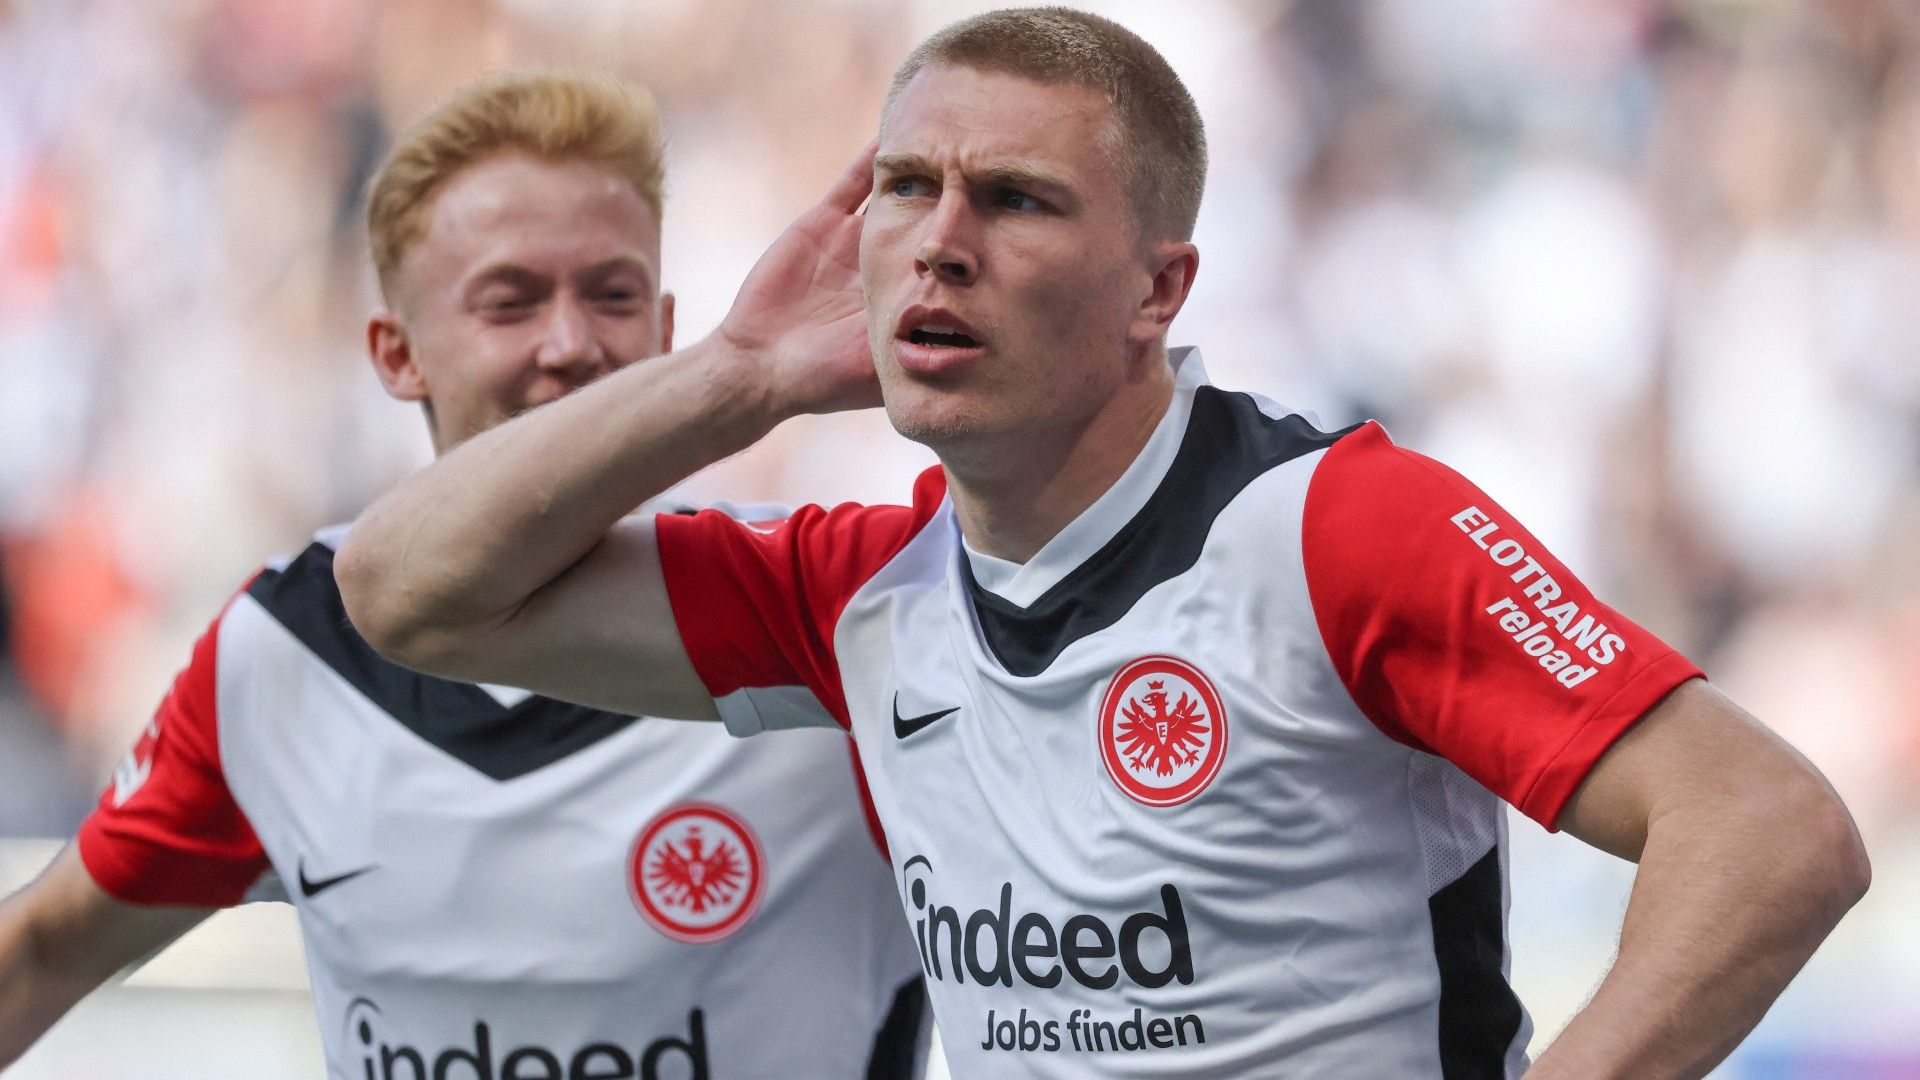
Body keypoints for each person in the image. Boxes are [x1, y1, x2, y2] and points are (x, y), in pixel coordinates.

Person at [336, 10, 1871, 1079]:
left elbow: (1769, 830)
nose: (941, 240)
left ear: (1159, 288)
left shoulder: (1335, 528)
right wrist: (735, 375)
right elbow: (404, 594)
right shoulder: (855, 593)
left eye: (1014, 200)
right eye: (903, 190)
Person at [0, 71, 927, 1080]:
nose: (570, 344)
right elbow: (43, 954)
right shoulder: (289, 649)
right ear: (399, 356)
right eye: (510, 302)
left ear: (666, 333)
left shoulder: (823, 610)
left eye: (611, 295)